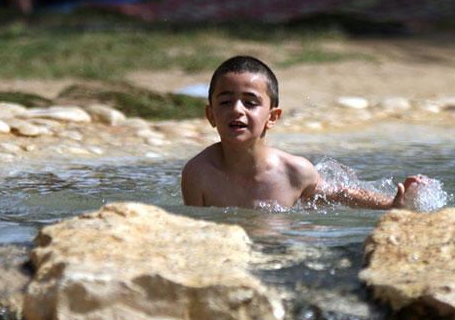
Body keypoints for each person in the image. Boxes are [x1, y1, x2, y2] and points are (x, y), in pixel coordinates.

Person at [181, 56, 427, 209]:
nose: (237, 110)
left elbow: (340, 193)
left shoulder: (294, 172)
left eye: (250, 103)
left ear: (272, 117)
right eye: (225, 102)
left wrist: (390, 205)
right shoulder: (199, 173)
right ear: (211, 115)